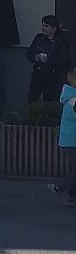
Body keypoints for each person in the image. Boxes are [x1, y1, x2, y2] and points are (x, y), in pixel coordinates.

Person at [26, 15, 70, 103]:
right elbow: (29, 54)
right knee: (33, 97)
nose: (43, 28)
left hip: (52, 75)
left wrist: (49, 60)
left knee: (49, 99)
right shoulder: (39, 37)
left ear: (54, 28)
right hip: (38, 72)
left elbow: (65, 61)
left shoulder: (60, 42)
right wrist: (35, 57)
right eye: (43, 25)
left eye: (46, 26)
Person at [58, 64, 76, 207]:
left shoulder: (68, 95)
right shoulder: (74, 99)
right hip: (72, 140)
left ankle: (61, 187)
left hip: (68, 139)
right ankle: (68, 195)